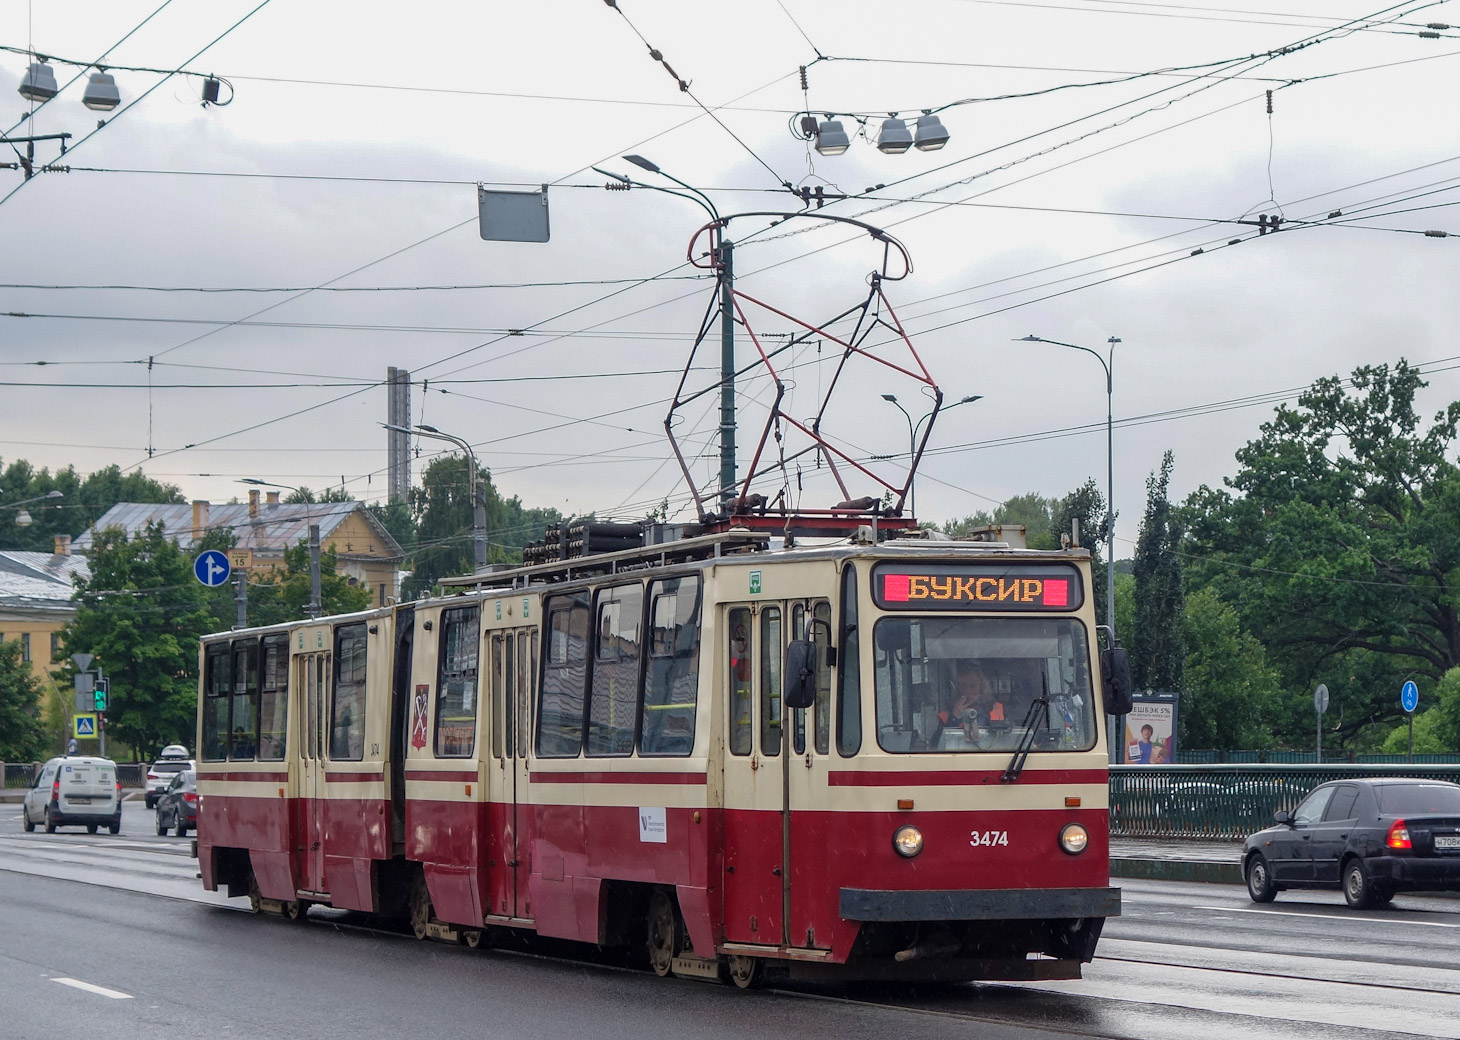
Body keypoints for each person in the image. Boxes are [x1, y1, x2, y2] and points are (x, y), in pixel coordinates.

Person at [931, 662, 1004, 747]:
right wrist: (954, 718)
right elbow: (935, 744)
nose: (968, 691)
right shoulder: (947, 715)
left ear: (981, 688)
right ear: (958, 690)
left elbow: (1010, 739)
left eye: (973, 686)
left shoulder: (997, 710)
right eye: (963, 686)